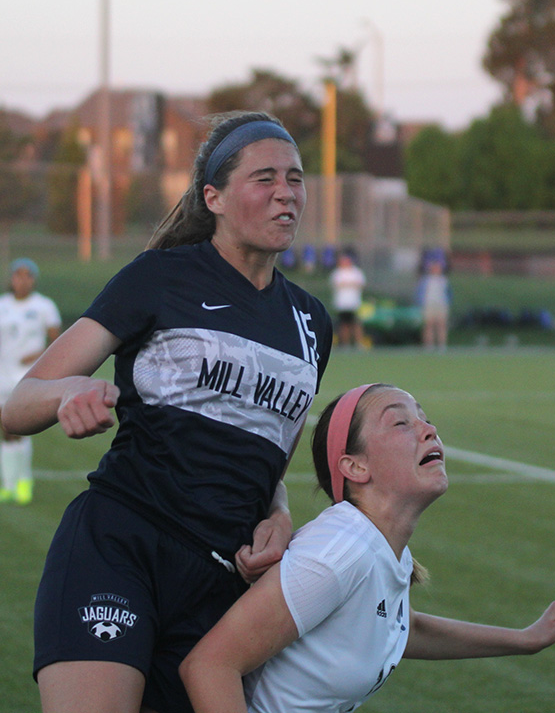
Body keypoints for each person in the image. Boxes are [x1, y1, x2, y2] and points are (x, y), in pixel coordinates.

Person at [1, 111, 333, 713]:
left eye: (295, 177)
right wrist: (67, 393)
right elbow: (17, 404)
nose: (286, 192)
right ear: (215, 197)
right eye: (264, 178)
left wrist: (280, 517)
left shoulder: (312, 325)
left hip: (220, 587)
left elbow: (266, 458)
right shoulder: (158, 279)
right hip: (119, 547)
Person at [179, 382, 555, 713]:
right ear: (355, 467)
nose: (428, 430)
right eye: (401, 423)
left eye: (426, 419)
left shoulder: (380, 550)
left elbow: (398, 628)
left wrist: (524, 639)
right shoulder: (338, 552)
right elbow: (210, 666)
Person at [0, 258, 61, 505]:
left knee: (20, 429)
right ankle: (8, 483)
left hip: (26, 377)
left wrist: (36, 355)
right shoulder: (3, 304)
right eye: (18, 275)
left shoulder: (44, 305)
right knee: (5, 430)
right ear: (12, 278)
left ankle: (24, 481)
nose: (22, 280)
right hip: (3, 374)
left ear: (33, 279)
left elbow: (56, 341)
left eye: (27, 275)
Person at [416, 249, 452, 350]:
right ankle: (429, 346)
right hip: (429, 304)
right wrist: (420, 303)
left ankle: (442, 345)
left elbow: (448, 293)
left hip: (441, 304)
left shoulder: (444, 280)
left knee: (441, 325)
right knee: (428, 325)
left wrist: (448, 302)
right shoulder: (425, 280)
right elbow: (420, 293)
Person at [330, 249, 366, 347]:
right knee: (343, 324)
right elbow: (337, 284)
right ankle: (345, 344)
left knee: (356, 324)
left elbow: (359, 284)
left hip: (354, 303)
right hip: (342, 304)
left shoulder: (356, 272)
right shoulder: (337, 273)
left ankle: (358, 343)